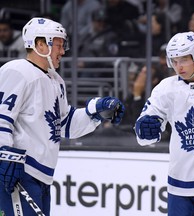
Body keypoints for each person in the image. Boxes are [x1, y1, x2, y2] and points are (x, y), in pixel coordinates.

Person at [0, 17, 125, 215]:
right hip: (17, 171)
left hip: (42, 176)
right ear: (39, 44)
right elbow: (2, 118)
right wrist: (5, 157)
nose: (62, 51)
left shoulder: (56, 80)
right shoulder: (17, 71)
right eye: (58, 44)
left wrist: (96, 113)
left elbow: (64, 125)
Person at [134, 32, 194, 215]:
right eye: (174, 61)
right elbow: (143, 134)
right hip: (178, 184)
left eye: (184, 59)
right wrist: (145, 128)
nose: (179, 66)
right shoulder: (166, 88)